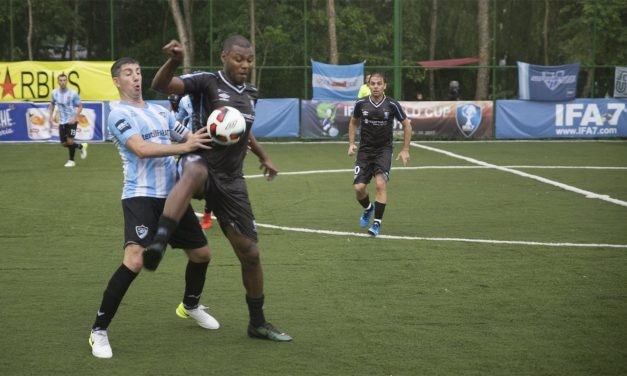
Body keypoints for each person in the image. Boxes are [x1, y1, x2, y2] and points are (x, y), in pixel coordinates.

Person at [147, 36, 292, 342]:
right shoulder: (207, 82)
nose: (245, 65)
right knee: (196, 170)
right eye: (239, 59)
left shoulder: (251, 93)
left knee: (250, 254)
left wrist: (264, 156)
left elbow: (244, 131)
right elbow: (161, 85)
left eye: (250, 60)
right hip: (199, 161)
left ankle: (257, 323)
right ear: (225, 56)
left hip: (232, 180)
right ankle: (159, 242)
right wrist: (174, 60)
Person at [88, 57, 216, 359]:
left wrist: (224, 137)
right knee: (134, 261)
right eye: (128, 73)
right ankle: (99, 330)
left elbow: (191, 138)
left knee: (202, 255)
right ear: (117, 81)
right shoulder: (117, 114)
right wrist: (183, 148)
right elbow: (140, 149)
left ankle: (190, 305)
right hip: (140, 196)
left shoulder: (161, 112)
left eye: (138, 72)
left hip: (173, 197)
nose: (136, 78)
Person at [347, 73, 412, 237]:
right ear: (368, 85)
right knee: (359, 188)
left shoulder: (392, 104)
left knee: (380, 184)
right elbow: (353, 122)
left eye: (379, 84)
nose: (376, 86)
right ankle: (368, 209)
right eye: (373, 83)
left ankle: (377, 224)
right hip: (365, 150)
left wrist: (405, 149)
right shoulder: (361, 104)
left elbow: (407, 125)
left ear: (385, 86)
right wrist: (351, 144)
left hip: (384, 149)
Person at [175, 91, 213, 229]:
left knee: (212, 183)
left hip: (212, 145)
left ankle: (207, 215)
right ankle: (182, 215)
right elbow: (179, 121)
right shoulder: (184, 100)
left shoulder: (212, 96)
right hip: (191, 143)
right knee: (181, 178)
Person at [49, 73, 87, 167]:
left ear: (67, 81)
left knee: (70, 141)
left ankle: (71, 161)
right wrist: (50, 116)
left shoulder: (73, 93)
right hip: (62, 121)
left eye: (64, 80)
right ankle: (80, 146)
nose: (63, 82)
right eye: (61, 80)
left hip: (72, 121)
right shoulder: (54, 93)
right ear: (58, 82)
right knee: (64, 143)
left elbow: (80, 106)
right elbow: (52, 104)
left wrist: (74, 117)